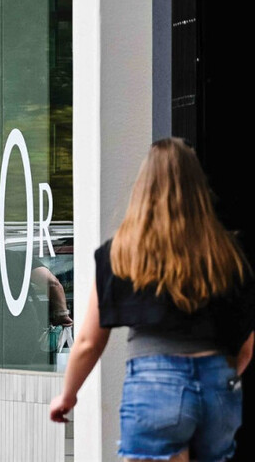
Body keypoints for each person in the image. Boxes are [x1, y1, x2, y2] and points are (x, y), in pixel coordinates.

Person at [49, 138, 255, 461]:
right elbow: (245, 346)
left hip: (156, 386)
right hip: (218, 384)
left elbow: (88, 342)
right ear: (199, 190)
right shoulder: (226, 253)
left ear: (143, 190)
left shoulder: (122, 253)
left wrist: (68, 395)